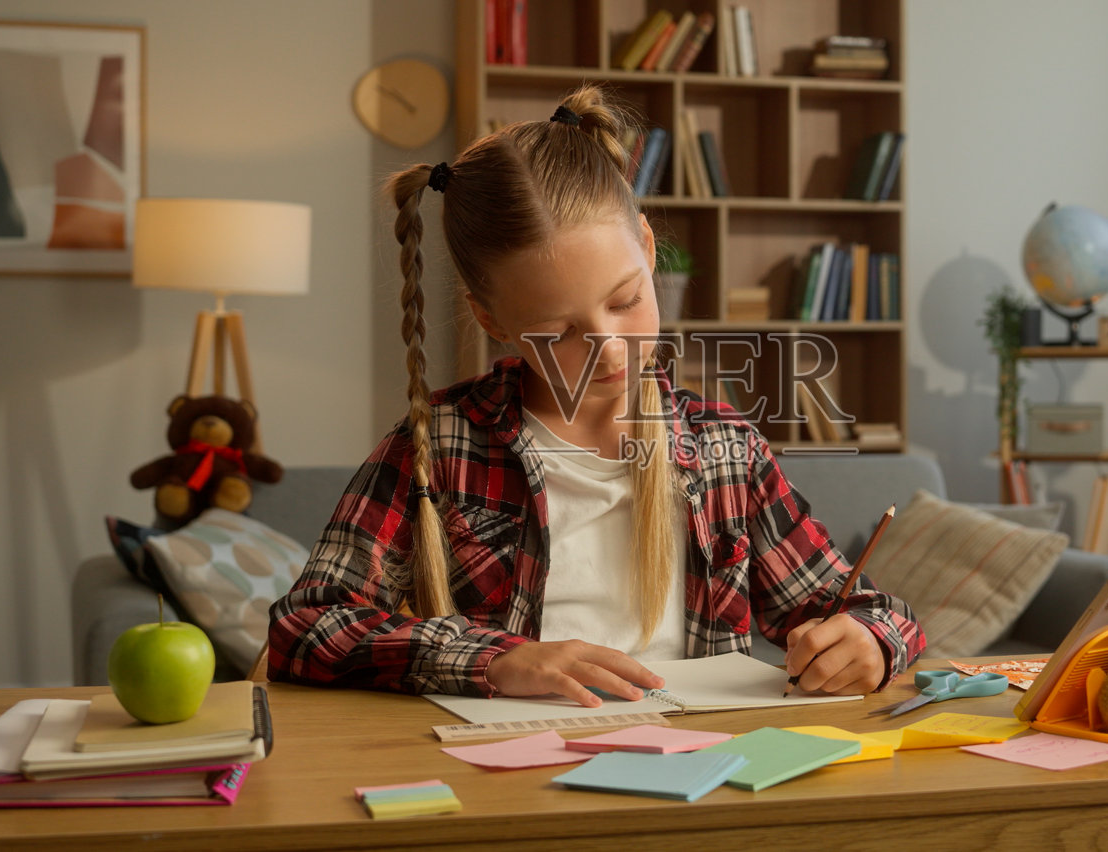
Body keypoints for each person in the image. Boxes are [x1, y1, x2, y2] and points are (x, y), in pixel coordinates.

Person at [267, 86, 924, 707]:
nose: (611, 349)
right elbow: (304, 625)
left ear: (646, 246)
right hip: (511, 775)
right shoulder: (437, 447)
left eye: (626, 300)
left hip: (703, 773)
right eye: (558, 331)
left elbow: (862, 610)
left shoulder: (726, 448)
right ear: (492, 320)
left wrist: (869, 640)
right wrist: (494, 659)